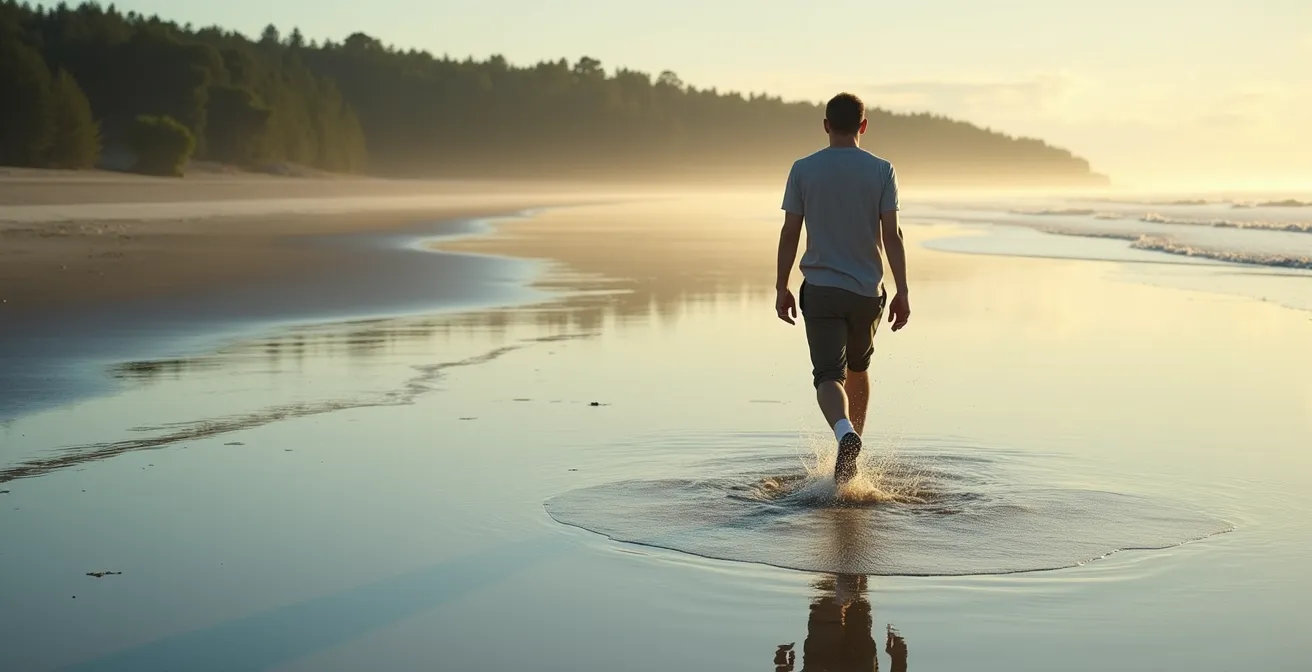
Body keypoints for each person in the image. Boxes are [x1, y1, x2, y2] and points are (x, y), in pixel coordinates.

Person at [774, 92, 911, 485]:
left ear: (826, 125)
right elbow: (892, 234)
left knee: (828, 375)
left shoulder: (803, 169)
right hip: (868, 291)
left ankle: (843, 433)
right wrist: (902, 290)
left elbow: (790, 233)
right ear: (863, 126)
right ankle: (852, 457)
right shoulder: (882, 170)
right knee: (859, 368)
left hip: (820, 288)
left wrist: (781, 287)